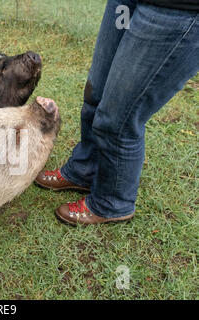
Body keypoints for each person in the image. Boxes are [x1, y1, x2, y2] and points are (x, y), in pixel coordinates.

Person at [35, 0, 199, 225]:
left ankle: (112, 202)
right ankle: (86, 170)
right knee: (96, 94)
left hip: (175, 11)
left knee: (118, 119)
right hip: (125, 3)